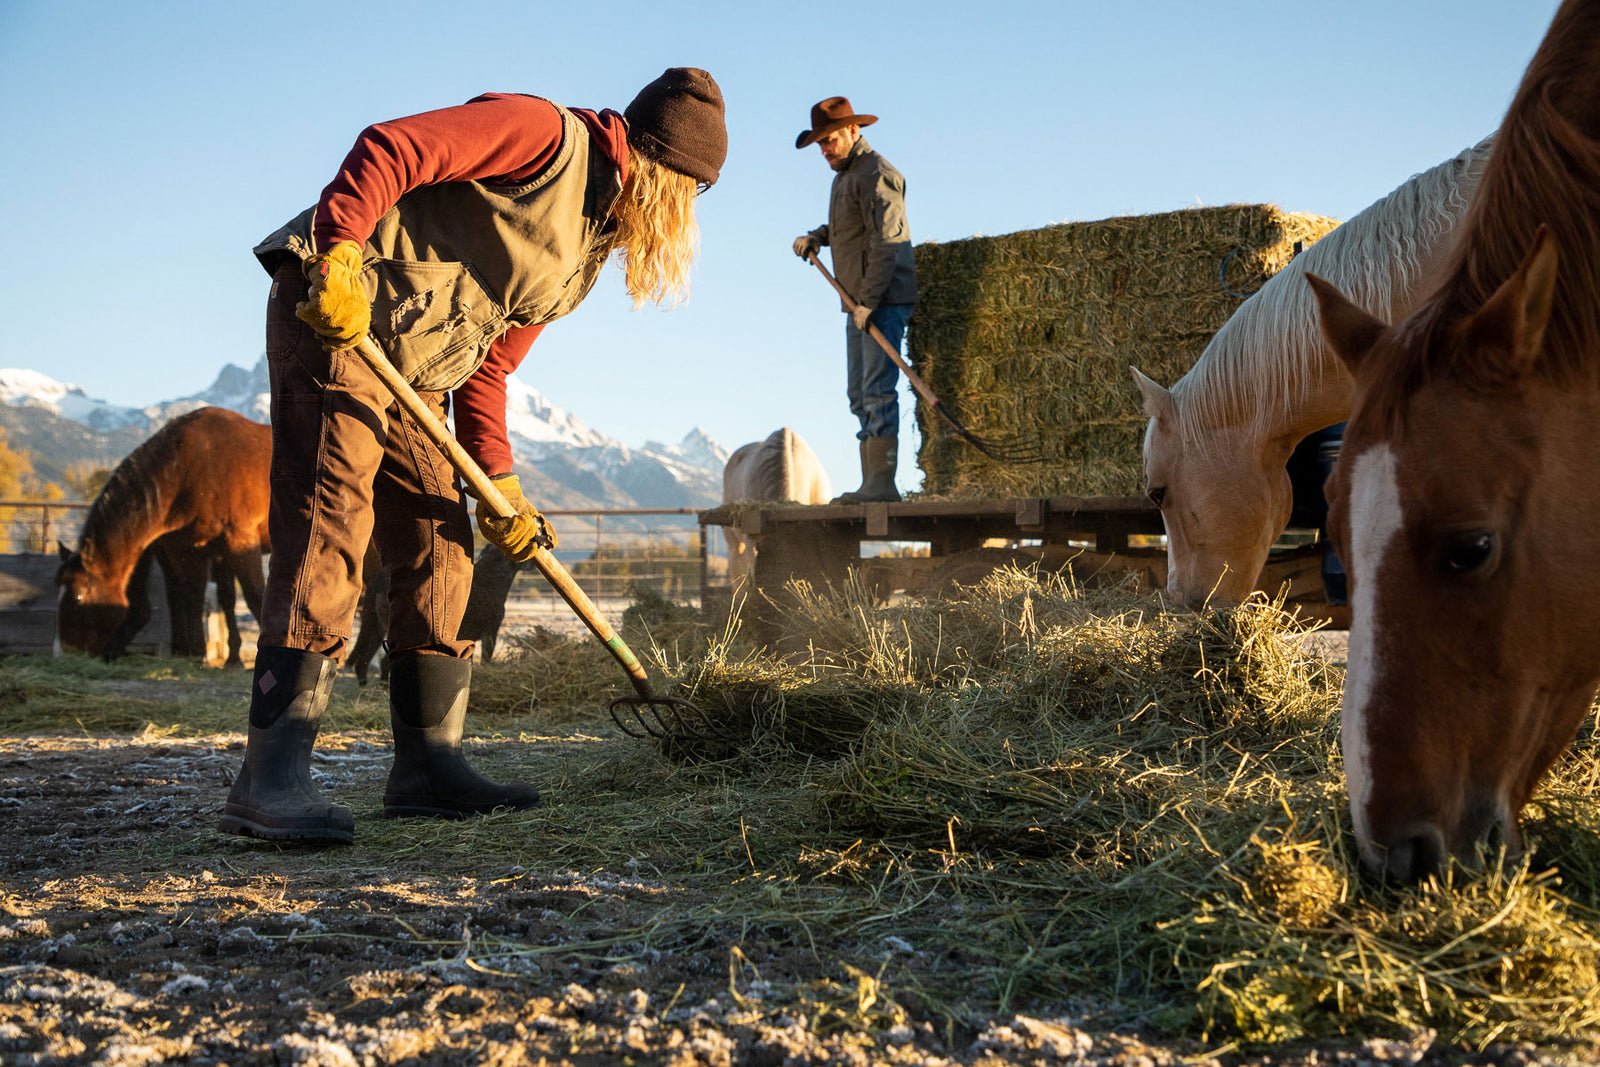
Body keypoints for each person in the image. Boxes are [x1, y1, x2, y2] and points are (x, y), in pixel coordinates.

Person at [220, 69, 727, 844]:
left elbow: (488, 366)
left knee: (440, 537)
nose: (679, 222)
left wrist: (505, 491)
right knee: (333, 519)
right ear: (661, 171)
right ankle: (269, 779)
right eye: (686, 199)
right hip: (338, 315)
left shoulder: (588, 245)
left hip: (418, 367)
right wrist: (341, 256)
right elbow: (393, 147)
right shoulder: (544, 137)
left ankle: (428, 765)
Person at [792, 96, 918, 504]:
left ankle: (882, 486)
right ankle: (871, 483)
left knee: (878, 389)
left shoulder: (878, 173)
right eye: (820, 144)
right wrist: (817, 237)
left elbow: (888, 241)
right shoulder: (844, 176)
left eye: (829, 140)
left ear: (852, 130)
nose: (824, 150)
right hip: (858, 302)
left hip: (880, 300)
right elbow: (848, 225)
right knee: (858, 393)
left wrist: (868, 302)